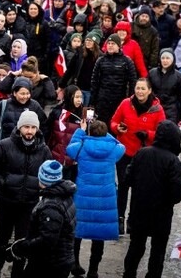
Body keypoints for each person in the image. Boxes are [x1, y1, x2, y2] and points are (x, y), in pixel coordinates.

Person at [0, 109, 51, 278]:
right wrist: (2, 183)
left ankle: (17, 273)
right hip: (6, 201)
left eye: (33, 127)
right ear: (20, 127)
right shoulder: (4, 145)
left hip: (29, 203)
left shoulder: (44, 150)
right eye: (26, 127)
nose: (29, 131)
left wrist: (42, 188)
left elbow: (50, 174)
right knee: (1, 238)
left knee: (23, 241)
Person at [123, 120, 181, 278]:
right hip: (161, 215)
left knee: (135, 247)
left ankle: (128, 274)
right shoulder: (173, 161)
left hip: (139, 210)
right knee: (158, 251)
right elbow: (176, 194)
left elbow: (127, 179)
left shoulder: (142, 153)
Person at [66, 119, 124, 277]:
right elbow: (121, 145)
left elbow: (69, 148)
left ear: (90, 133)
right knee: (99, 236)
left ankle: (75, 263)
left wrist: (81, 132)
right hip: (104, 199)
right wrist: (107, 135)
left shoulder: (82, 147)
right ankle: (93, 269)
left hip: (83, 197)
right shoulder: (114, 149)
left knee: (76, 232)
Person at [109, 77, 165, 226]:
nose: (139, 91)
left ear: (150, 91)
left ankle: (133, 220)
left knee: (139, 189)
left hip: (144, 155)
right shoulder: (126, 103)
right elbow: (113, 121)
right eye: (137, 88)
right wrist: (117, 128)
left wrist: (148, 134)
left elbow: (162, 132)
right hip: (124, 151)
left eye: (143, 89)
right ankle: (119, 218)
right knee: (123, 185)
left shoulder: (157, 109)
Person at [7, 160, 76, 278]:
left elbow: (47, 240)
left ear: (42, 178)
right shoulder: (63, 195)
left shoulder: (51, 206)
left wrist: (22, 247)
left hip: (49, 264)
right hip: (61, 259)